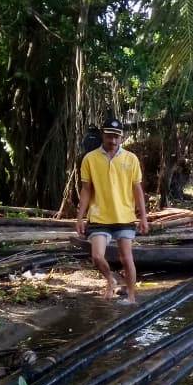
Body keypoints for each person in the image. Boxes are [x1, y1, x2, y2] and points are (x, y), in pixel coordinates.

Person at [75, 117, 149, 304]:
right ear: (103, 135)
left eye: (117, 137)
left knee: (126, 258)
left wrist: (143, 217)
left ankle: (131, 297)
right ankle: (110, 279)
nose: (113, 140)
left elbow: (137, 189)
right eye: (109, 136)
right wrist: (80, 218)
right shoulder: (90, 159)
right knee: (97, 256)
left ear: (121, 137)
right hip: (99, 216)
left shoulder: (131, 159)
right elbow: (86, 189)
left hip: (124, 216)